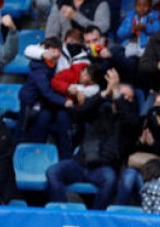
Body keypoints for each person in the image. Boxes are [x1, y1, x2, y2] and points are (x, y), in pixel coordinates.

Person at [45, 65, 129, 209]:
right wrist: (105, 93)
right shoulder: (101, 110)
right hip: (80, 163)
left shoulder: (127, 120)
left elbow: (129, 119)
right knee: (52, 172)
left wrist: (117, 93)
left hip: (103, 167)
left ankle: (94, 219)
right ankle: (65, 214)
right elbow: (81, 112)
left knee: (110, 179)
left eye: (125, 96)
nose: (119, 96)